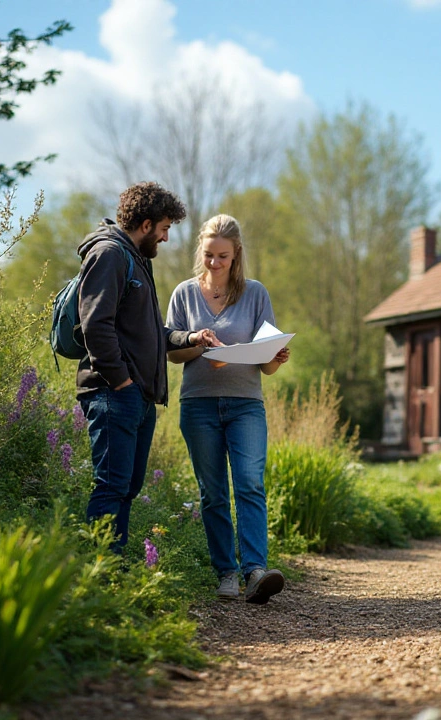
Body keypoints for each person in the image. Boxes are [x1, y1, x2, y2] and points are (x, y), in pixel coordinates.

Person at [77, 182, 216, 556]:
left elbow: (151, 333)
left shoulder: (137, 260)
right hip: (113, 393)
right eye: (165, 229)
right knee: (111, 486)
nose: (167, 238)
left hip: (137, 398)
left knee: (127, 488)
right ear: (146, 224)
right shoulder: (109, 254)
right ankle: (100, 575)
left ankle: (114, 572)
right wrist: (121, 381)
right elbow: (95, 325)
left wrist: (191, 339)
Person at [166, 214, 289, 604]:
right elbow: (172, 353)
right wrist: (199, 342)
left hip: (245, 405)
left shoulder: (255, 294)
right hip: (199, 404)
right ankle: (226, 573)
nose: (215, 263)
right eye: (208, 255)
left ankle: (255, 570)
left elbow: (265, 365)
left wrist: (276, 358)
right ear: (200, 252)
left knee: (249, 483)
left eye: (223, 256)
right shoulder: (184, 294)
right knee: (213, 492)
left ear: (236, 255)